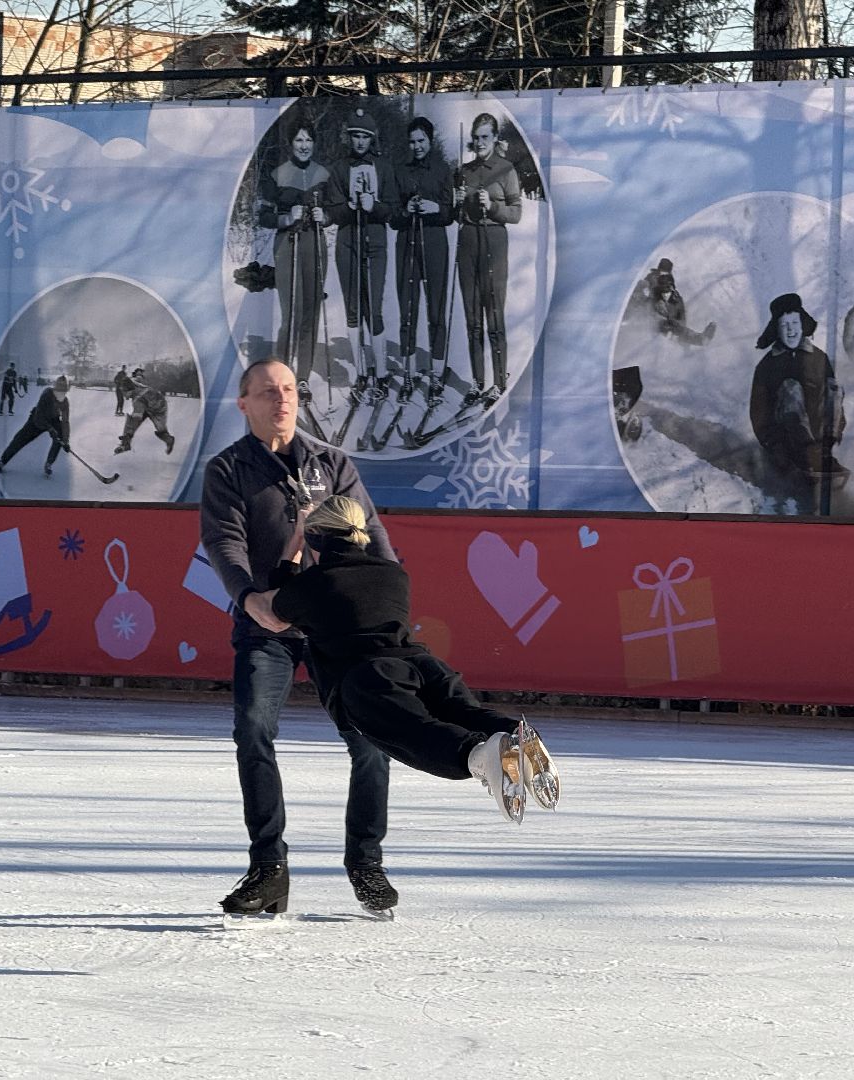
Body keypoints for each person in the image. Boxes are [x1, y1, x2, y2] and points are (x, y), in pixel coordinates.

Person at [199, 358, 396, 918]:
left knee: (370, 739)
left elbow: (373, 536)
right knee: (254, 730)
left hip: (337, 626)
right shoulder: (228, 469)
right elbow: (223, 542)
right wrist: (250, 598)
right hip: (268, 624)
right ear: (244, 404)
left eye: (288, 390)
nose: (281, 400)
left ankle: (366, 862)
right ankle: (269, 868)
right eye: (267, 392)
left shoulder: (332, 464)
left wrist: (387, 608)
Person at [260, 494, 560, 831]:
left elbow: (277, 607)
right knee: (464, 711)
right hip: (422, 664)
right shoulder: (393, 575)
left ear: (317, 536)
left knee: (416, 735)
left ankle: (479, 755)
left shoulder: (313, 585)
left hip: (368, 679)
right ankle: (510, 733)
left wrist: (295, 543)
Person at [326, 108, 398, 401]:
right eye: (355, 136)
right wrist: (351, 207)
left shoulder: (384, 167)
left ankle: (380, 372)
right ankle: (359, 373)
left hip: (376, 243)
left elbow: (392, 209)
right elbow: (332, 211)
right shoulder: (339, 168)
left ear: (372, 139)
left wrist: (374, 206)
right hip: (347, 243)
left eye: (364, 137)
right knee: (353, 308)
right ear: (349, 137)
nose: (359, 142)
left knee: (374, 308)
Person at [749, 294, 847, 504]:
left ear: (803, 325)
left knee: (834, 388)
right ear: (777, 329)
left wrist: (831, 435)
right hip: (785, 443)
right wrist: (775, 448)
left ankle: (823, 455)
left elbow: (833, 402)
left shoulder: (818, 358)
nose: (791, 330)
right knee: (791, 388)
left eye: (795, 323)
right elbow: (759, 414)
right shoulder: (767, 366)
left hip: (819, 438)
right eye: (785, 325)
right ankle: (807, 458)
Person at [258, 119, 331, 400]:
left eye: (308, 141)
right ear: (291, 143)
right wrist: (286, 217)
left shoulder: (323, 173)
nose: (303, 146)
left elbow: (335, 208)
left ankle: (302, 378)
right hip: (288, 243)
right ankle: (284, 374)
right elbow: (264, 216)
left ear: (314, 144)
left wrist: (324, 216)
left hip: (315, 243)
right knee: (292, 312)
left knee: (311, 313)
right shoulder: (278, 174)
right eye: (299, 141)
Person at [455, 112, 521, 408]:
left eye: (486, 137)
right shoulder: (464, 171)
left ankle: (499, 383)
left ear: (495, 138)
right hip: (467, 240)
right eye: (477, 137)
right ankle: (477, 382)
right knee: (472, 318)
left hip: (494, 239)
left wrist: (493, 206)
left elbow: (516, 213)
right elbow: (454, 213)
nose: (480, 142)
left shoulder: (506, 170)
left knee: (493, 315)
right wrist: (456, 203)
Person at [391, 116, 455, 406]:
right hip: (407, 243)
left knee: (436, 309)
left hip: (434, 243)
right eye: (412, 141)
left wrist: (435, 207)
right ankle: (407, 373)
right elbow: (391, 215)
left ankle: (437, 374)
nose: (417, 146)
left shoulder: (443, 170)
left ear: (430, 141)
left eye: (421, 141)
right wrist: (405, 209)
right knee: (408, 309)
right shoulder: (400, 170)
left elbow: (450, 212)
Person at [0, 375, 70, 478]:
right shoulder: (47, 394)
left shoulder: (65, 402)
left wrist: (65, 441)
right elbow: (39, 416)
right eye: (59, 391)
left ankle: (49, 464)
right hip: (37, 419)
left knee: (59, 439)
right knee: (20, 439)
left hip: (53, 420)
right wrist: (50, 429)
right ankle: (3, 461)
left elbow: (65, 421)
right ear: (55, 389)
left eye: (63, 392)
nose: (61, 394)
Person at [114, 367, 175, 455]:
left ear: (129, 390)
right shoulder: (133, 384)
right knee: (159, 428)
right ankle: (168, 439)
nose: (123, 395)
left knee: (133, 421)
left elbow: (137, 417)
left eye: (124, 392)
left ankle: (126, 443)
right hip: (158, 403)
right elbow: (134, 380)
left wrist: (128, 434)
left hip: (157, 408)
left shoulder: (137, 399)